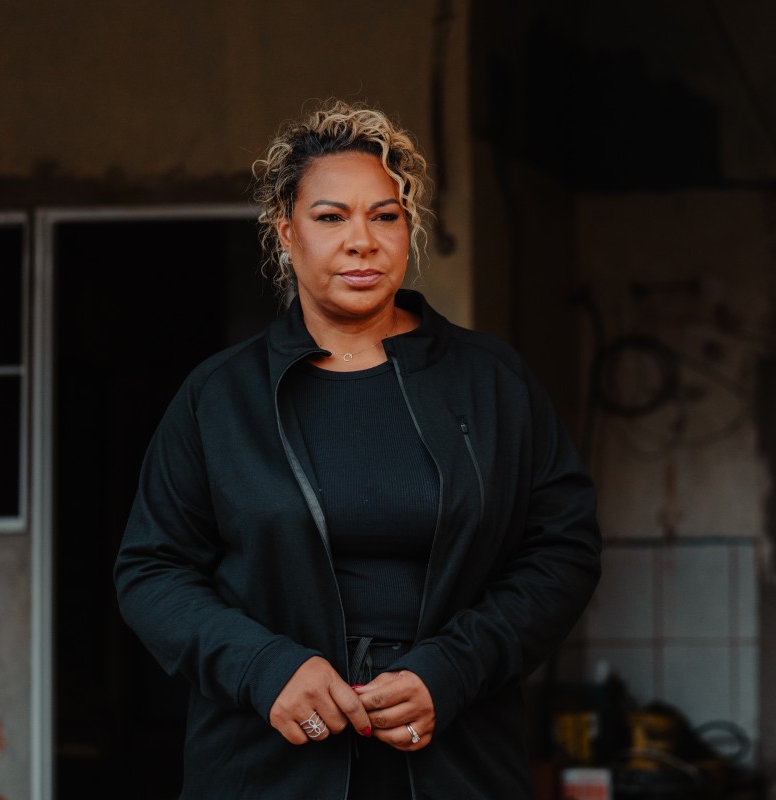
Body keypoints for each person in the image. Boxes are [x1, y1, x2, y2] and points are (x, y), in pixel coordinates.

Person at [113, 100, 602, 799]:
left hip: (454, 760)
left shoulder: (490, 381)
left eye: (384, 215)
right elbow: (152, 570)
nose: (362, 241)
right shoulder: (218, 397)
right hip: (267, 764)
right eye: (331, 216)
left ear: (409, 229)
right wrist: (264, 668)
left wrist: (453, 670)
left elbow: (563, 549)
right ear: (286, 232)